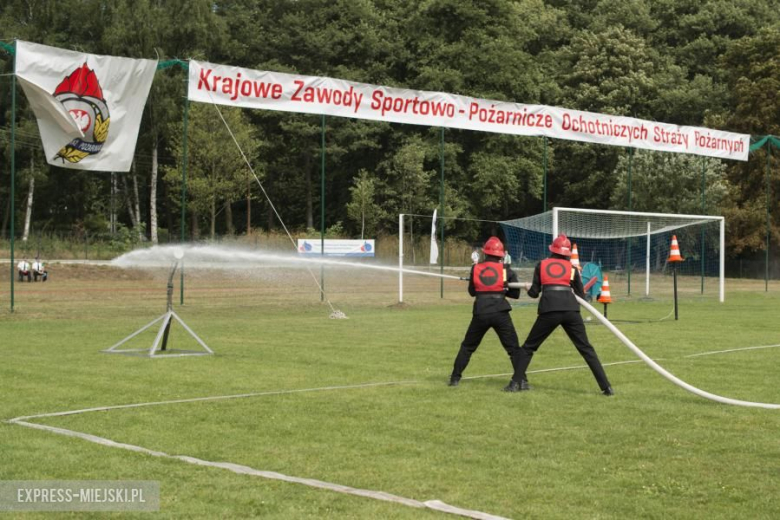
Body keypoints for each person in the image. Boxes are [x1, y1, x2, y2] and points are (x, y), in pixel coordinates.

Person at [511, 234, 614, 395]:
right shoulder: (572, 269)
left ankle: (515, 383)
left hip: (549, 310)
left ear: (553, 249)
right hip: (571, 310)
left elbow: (534, 293)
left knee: (528, 347)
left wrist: (526, 287)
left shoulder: (542, 265)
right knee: (586, 349)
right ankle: (606, 387)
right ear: (567, 253)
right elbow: (581, 294)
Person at [449, 236, 529, 391]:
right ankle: (523, 381)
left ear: (485, 253)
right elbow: (516, 294)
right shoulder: (506, 270)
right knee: (513, 349)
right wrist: (503, 288)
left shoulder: (476, 268)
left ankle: (454, 378)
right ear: (501, 255)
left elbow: (472, 292)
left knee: (467, 347)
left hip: (481, 312)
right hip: (500, 311)